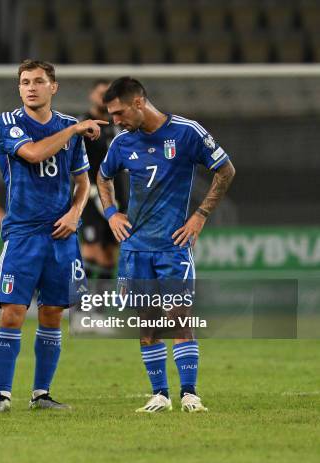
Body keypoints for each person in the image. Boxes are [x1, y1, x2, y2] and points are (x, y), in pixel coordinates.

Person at [97, 77, 235, 413]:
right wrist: (112, 213)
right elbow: (102, 177)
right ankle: (160, 394)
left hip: (173, 245)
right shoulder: (121, 143)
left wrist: (200, 215)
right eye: (111, 114)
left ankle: (189, 393)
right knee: (147, 321)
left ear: (139, 102)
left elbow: (225, 170)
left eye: (118, 112)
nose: (115, 120)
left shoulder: (187, 132)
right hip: (135, 247)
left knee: (178, 316)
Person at [0, 59, 107, 413]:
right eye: (24, 82)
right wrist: (74, 130)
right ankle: (2, 395)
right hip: (23, 234)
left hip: (62, 235)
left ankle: (42, 394)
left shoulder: (71, 126)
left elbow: (83, 182)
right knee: (12, 313)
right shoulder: (9, 122)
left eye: (38, 81)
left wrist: (75, 213)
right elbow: (34, 153)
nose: (31, 87)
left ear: (54, 87)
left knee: (53, 314)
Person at [78, 80, 127, 280]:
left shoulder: (118, 126)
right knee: (90, 248)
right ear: (91, 95)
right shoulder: (81, 124)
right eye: (100, 93)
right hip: (90, 196)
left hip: (116, 195)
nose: (103, 97)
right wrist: (87, 186)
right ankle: (81, 308)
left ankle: (98, 309)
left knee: (109, 255)